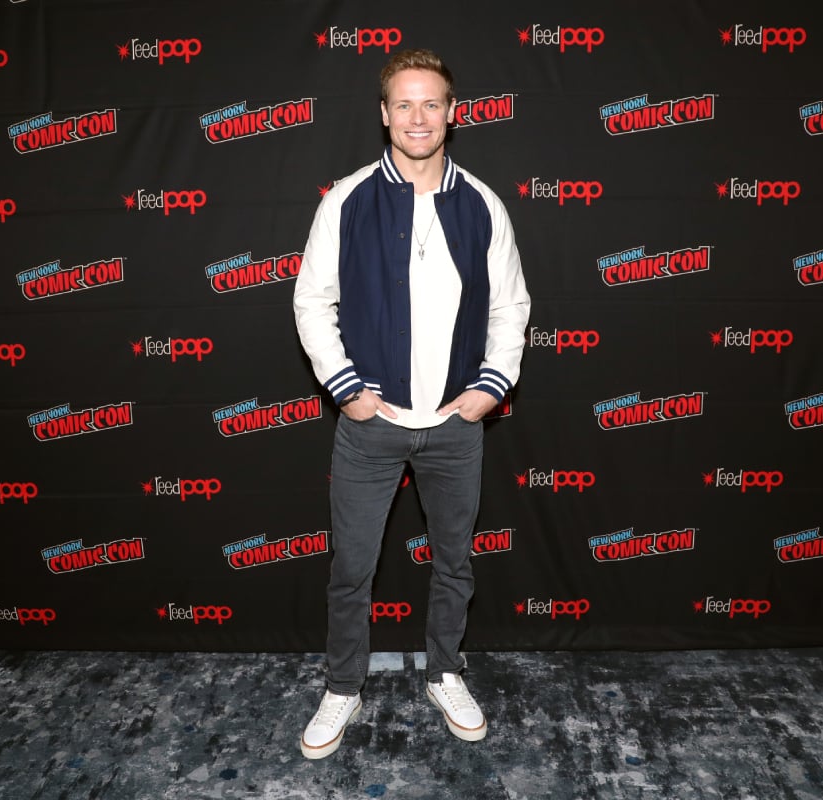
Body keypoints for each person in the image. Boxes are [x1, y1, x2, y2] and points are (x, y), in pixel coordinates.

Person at [292, 48, 530, 759]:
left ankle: (447, 672)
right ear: (384, 113)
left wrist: (490, 389)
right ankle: (343, 685)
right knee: (351, 569)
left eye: (432, 103)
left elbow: (511, 307)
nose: (418, 117)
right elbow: (310, 301)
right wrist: (347, 392)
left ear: (453, 114)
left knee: (455, 562)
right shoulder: (348, 200)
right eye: (404, 103)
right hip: (373, 426)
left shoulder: (482, 203)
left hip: (457, 428)